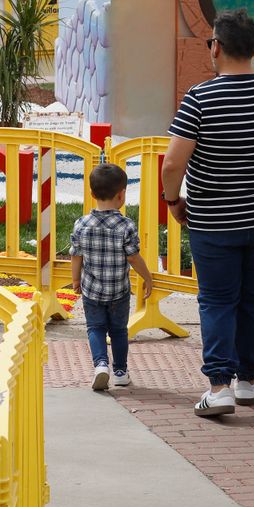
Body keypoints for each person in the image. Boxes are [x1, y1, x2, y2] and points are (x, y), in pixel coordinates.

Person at [162, 9, 254, 418]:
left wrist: (173, 201)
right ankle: (248, 381)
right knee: (253, 300)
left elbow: (173, 164)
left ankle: (219, 387)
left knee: (216, 301)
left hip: (213, 222)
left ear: (217, 47)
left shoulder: (199, 98)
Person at [70, 163, 156, 391]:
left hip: (92, 290)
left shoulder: (81, 224)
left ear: (91, 194)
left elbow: (76, 256)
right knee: (118, 330)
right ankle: (120, 371)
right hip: (119, 290)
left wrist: (76, 280)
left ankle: (100, 365)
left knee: (95, 328)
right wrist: (147, 278)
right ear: (122, 195)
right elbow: (134, 257)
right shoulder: (125, 225)